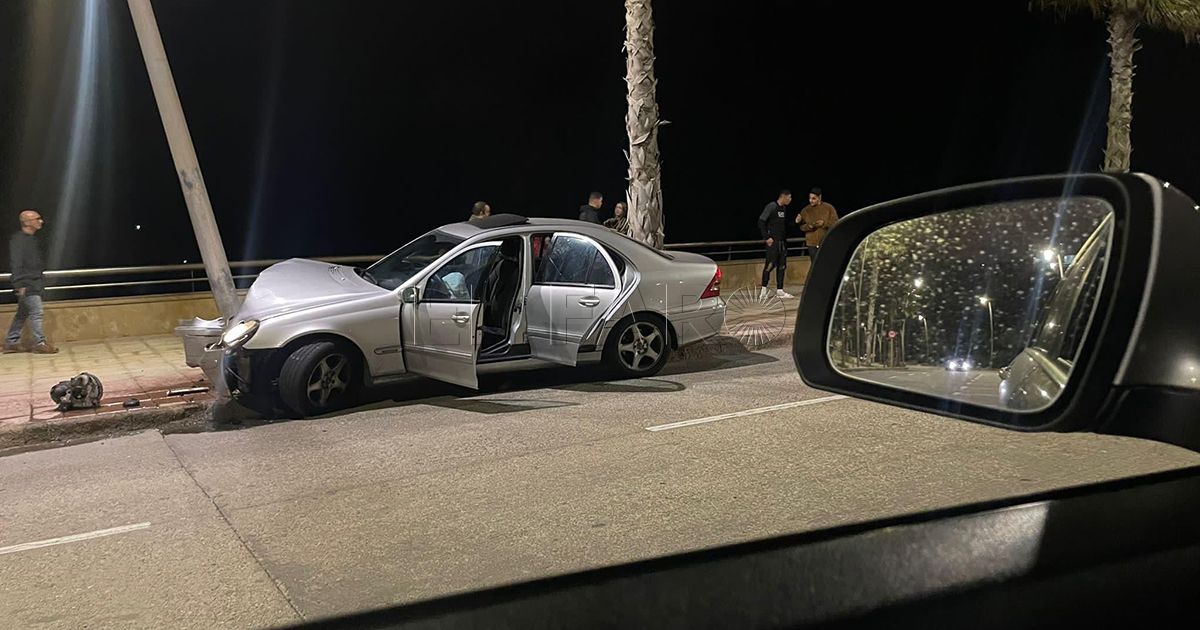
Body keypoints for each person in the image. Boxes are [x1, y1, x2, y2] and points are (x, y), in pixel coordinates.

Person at [5, 209, 57, 354]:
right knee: (37, 312)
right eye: (37, 218)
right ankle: (40, 342)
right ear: (27, 222)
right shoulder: (18, 240)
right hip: (27, 283)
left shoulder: (32, 239)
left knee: (22, 314)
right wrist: (19, 284)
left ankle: (11, 341)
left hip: (34, 282)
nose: (41, 221)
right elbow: (16, 263)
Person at [758, 189, 795, 299]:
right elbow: (761, 221)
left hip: (782, 242)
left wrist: (795, 222)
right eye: (789, 197)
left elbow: (783, 225)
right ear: (784, 196)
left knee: (782, 266)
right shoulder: (771, 206)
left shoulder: (783, 208)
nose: (790, 200)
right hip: (773, 243)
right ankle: (763, 290)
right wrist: (767, 237)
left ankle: (780, 290)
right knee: (769, 265)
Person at [796, 187, 839, 263]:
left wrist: (824, 224)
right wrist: (809, 226)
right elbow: (801, 226)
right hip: (811, 243)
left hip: (826, 241)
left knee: (826, 263)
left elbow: (835, 222)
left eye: (813, 198)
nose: (810, 201)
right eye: (809, 198)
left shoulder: (829, 208)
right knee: (815, 264)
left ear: (819, 198)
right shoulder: (805, 210)